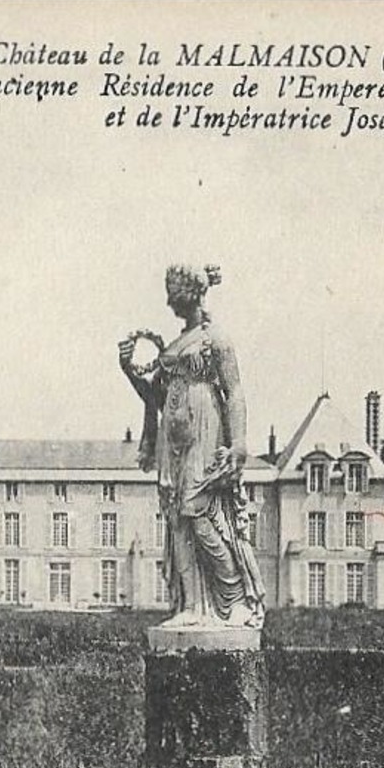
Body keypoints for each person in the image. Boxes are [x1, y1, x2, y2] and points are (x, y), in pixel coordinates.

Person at [118, 263, 265, 628]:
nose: (171, 304)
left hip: (205, 430)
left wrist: (240, 443)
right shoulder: (172, 346)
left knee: (199, 514)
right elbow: (153, 396)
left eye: (177, 297)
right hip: (174, 438)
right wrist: (128, 370)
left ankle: (234, 603)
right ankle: (192, 607)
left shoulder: (216, 339)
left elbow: (234, 392)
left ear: (195, 294)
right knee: (177, 520)